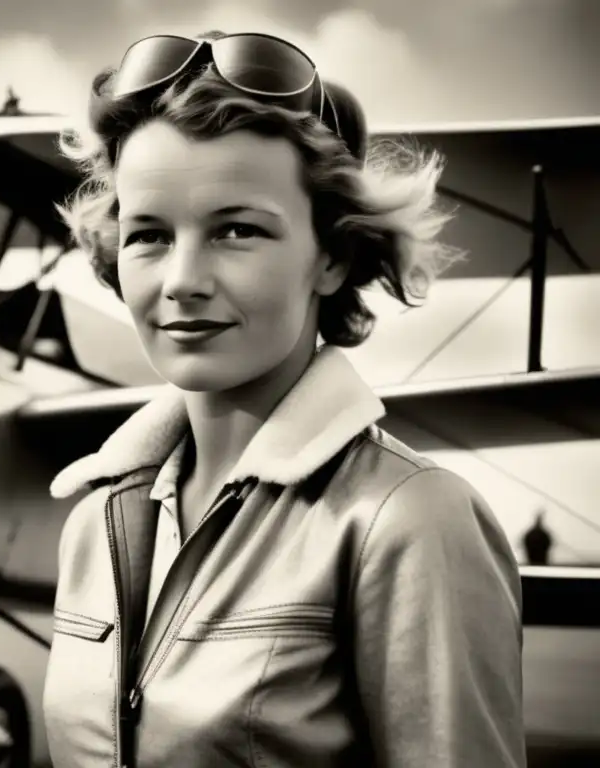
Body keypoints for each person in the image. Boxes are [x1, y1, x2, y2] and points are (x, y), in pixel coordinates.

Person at [41, 31, 526, 768]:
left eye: (237, 230)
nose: (181, 280)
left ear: (331, 255)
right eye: (148, 235)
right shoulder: (93, 522)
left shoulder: (409, 522)